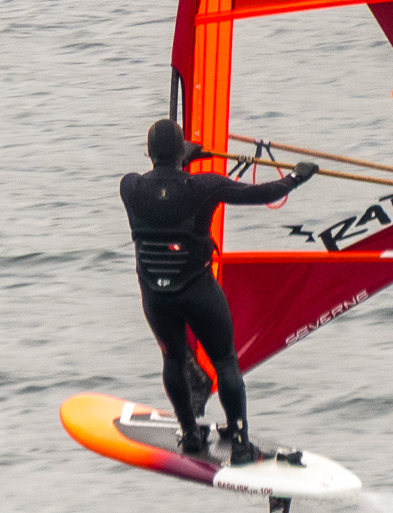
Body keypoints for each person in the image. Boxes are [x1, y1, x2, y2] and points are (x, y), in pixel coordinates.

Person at [121, 118, 318, 465]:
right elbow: (259, 194)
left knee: (173, 358)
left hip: (155, 295)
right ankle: (241, 443)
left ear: (148, 152)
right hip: (198, 291)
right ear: (182, 151)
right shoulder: (204, 187)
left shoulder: (130, 187)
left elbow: (162, 187)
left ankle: (190, 435)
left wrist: (180, 161)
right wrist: (296, 177)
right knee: (225, 361)